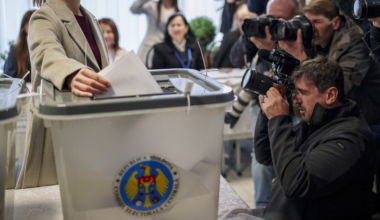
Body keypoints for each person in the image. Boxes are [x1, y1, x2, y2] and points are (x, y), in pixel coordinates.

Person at [255, 56, 374, 220]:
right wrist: (265, 115)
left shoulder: (351, 136)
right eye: (295, 92)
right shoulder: (313, 123)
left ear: (331, 95)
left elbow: (296, 184)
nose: (295, 100)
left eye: (303, 92)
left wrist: (279, 120)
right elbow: (265, 155)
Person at [17, 0, 111, 189]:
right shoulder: (43, 17)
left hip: (93, 128)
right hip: (61, 132)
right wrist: (71, 73)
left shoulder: (90, 18)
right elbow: (46, 52)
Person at [225, 0, 299, 208]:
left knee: (290, 154)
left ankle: (283, 207)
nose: (274, 24)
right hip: (263, 103)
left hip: (292, 106)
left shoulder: (299, 34)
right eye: (270, 18)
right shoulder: (260, 33)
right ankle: (261, 208)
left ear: (296, 16)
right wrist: (246, 37)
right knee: (260, 160)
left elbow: (301, 70)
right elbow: (234, 59)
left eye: (281, 19)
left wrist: (275, 47)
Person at [214, 4, 257, 68]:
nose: (243, 23)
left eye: (247, 20)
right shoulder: (230, 37)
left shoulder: (259, 37)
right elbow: (219, 58)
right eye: (240, 20)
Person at [3, 10, 35, 82]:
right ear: (24, 28)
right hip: (22, 91)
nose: (35, 28)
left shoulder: (45, 49)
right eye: (31, 24)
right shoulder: (15, 50)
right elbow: (7, 80)